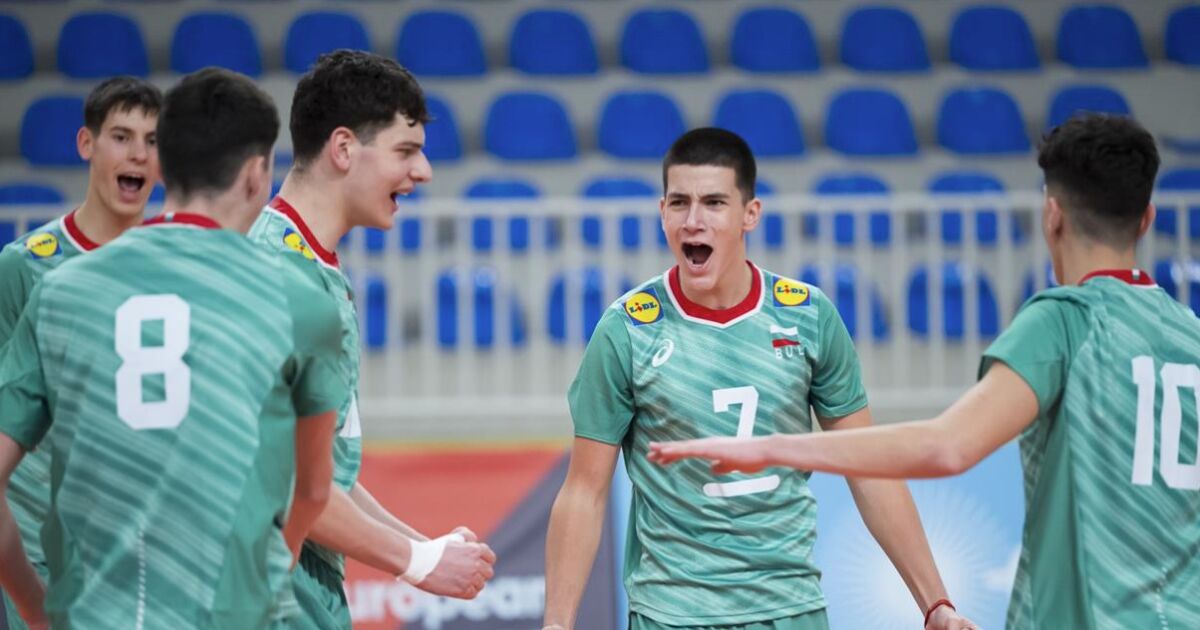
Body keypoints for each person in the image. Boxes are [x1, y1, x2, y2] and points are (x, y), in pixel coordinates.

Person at [649, 114, 1200, 628]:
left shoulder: (1063, 322)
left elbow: (946, 446)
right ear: (1147, 219)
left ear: (1051, 215)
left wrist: (773, 448)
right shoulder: (1190, 334)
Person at [545, 128, 975, 630]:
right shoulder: (627, 329)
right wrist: (557, 624)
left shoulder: (808, 316)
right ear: (662, 211)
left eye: (713, 203)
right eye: (679, 203)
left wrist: (936, 603)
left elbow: (869, 469)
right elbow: (584, 491)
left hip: (789, 608)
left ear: (750, 213)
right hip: (672, 613)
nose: (693, 220)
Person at [0, 67, 344, 629]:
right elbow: (311, 490)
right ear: (257, 173)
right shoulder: (299, 302)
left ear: (167, 164)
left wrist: (36, 610)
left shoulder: (60, 289)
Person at [249, 50, 495, 629]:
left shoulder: (309, 265)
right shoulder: (279, 277)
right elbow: (286, 483)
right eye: (405, 151)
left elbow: (325, 475)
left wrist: (426, 551)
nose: (423, 171)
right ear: (343, 149)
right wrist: (417, 562)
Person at [0, 75, 162, 630]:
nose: (138, 153)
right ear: (86, 143)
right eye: (121, 136)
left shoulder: (172, 271)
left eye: (152, 141)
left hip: (132, 555)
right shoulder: (24, 266)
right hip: (35, 553)